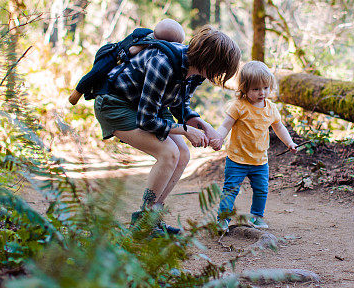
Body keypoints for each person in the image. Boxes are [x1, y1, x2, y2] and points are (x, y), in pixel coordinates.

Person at [95, 24, 240, 235]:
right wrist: (185, 130)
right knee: (168, 153)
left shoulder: (196, 73)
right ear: (210, 60)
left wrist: (204, 127)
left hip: (146, 106)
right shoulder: (163, 63)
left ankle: (152, 217)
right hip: (116, 105)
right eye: (220, 69)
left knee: (182, 154)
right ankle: (143, 223)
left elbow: (179, 106)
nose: (218, 75)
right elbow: (147, 120)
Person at [211, 61, 298, 231]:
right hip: (237, 159)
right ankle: (223, 219)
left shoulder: (271, 108)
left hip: (259, 161)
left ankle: (257, 216)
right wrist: (219, 138)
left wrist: (289, 142)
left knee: (261, 190)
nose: (262, 92)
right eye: (256, 89)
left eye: (265, 87)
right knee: (230, 190)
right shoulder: (239, 106)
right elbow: (226, 125)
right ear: (244, 88)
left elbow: (279, 127)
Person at [68, 19, 186, 106]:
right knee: (97, 72)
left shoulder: (155, 43)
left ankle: (89, 93)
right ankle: (77, 93)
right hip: (112, 54)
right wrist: (144, 47)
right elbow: (131, 50)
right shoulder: (147, 42)